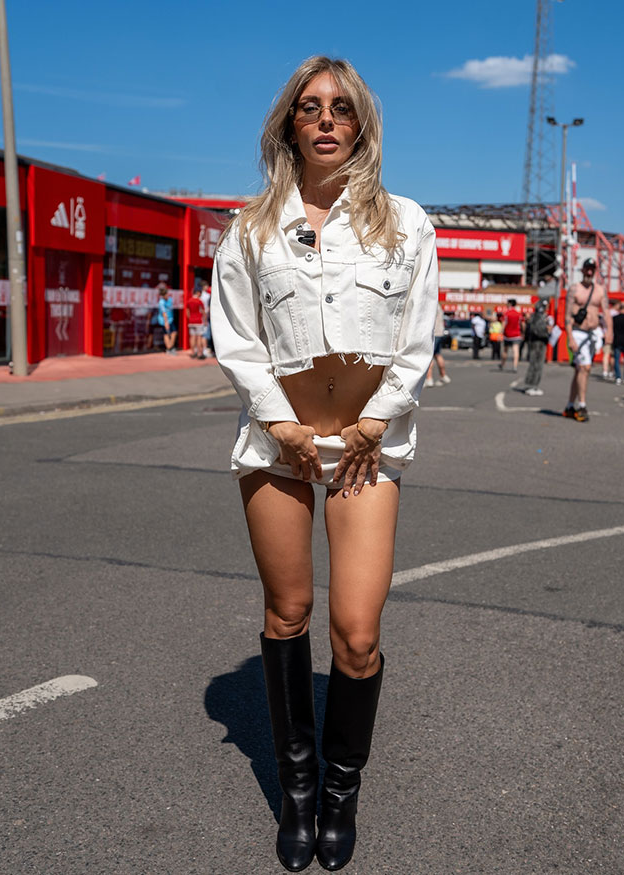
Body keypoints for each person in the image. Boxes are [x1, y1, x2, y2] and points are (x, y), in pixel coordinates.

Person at [210, 56, 438, 873]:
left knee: (357, 632)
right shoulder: (249, 228)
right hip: (278, 445)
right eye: (310, 108)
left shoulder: (407, 223)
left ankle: (342, 790)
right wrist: (280, 420)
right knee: (289, 612)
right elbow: (235, 336)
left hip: (365, 447)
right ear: (289, 126)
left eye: (342, 107)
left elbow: (417, 336)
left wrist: (377, 417)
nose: (326, 119)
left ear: (362, 123)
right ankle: (297, 789)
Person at [562, 258, 613, 422]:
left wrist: (609, 331)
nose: (589, 272)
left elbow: (606, 312)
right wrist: (570, 337)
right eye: (587, 269)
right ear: (582, 270)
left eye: (592, 269)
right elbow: (568, 315)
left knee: (580, 370)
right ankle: (582, 405)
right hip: (578, 332)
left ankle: (570, 405)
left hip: (593, 333)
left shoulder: (600, 290)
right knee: (585, 368)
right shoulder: (574, 289)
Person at [522, 299, 550, 395]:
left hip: (533, 342)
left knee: (534, 363)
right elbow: (540, 330)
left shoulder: (533, 317)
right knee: (537, 364)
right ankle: (533, 385)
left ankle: (530, 384)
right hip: (539, 343)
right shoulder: (541, 317)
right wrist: (548, 333)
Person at [425, 303, 450, 386]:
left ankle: (429, 378)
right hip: (439, 333)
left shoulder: (432, 304)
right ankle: (443, 375)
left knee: (429, 356)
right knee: (437, 354)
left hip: (434, 333)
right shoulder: (439, 306)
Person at [499, 299, 521, 371]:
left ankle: (502, 364)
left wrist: (500, 333)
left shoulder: (507, 314)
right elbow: (522, 324)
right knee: (516, 351)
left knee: (505, 350)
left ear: (510, 304)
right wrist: (523, 333)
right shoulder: (518, 314)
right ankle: (515, 366)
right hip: (516, 334)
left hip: (507, 335)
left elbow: (504, 324)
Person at [186, 285, 206, 358]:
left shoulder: (189, 301)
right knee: (199, 337)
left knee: (192, 337)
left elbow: (187, 311)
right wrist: (205, 320)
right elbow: (203, 311)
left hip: (191, 321)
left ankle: (192, 352)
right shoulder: (199, 301)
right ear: (198, 293)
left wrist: (190, 318)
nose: (200, 294)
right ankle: (200, 353)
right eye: (200, 292)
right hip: (198, 321)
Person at [157, 283, 177, 354]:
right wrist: (166, 323)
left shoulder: (170, 300)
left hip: (170, 319)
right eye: (166, 294)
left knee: (174, 332)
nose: (167, 295)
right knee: (166, 334)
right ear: (163, 295)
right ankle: (169, 349)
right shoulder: (161, 302)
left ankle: (170, 347)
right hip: (164, 321)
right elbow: (164, 313)